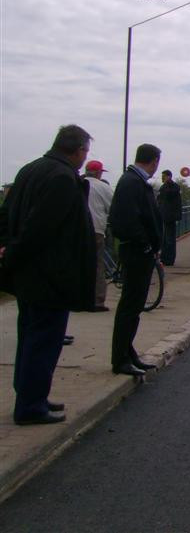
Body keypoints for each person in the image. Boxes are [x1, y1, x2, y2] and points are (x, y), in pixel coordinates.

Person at [0, 125, 96, 424]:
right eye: (85, 152)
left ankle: (31, 395)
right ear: (78, 150)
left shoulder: (31, 170)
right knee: (44, 342)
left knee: (30, 338)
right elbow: (40, 229)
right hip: (50, 275)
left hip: (29, 275)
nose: (84, 157)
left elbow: (7, 214)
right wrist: (15, 252)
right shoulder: (62, 179)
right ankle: (30, 407)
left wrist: (7, 249)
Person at [108, 144, 163, 376]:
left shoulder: (134, 181)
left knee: (134, 307)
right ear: (154, 161)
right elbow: (125, 220)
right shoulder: (132, 182)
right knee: (130, 307)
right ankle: (120, 359)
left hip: (140, 252)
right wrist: (146, 245)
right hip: (136, 253)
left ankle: (128, 353)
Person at [84, 160, 113, 311]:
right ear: (98, 172)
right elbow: (114, 207)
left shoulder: (77, 183)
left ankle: (77, 297)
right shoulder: (102, 187)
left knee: (78, 265)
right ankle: (97, 301)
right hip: (96, 230)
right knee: (97, 266)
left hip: (77, 231)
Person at [156, 169, 182, 266]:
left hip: (169, 216)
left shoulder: (172, 187)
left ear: (168, 176)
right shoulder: (167, 187)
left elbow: (167, 195)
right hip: (166, 215)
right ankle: (165, 257)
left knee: (169, 238)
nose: (162, 179)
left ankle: (169, 259)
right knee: (166, 238)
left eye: (164, 177)